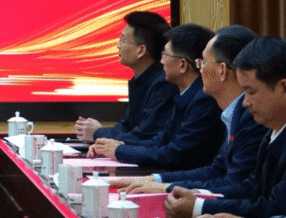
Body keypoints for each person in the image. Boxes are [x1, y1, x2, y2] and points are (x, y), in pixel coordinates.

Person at [111, 25, 263, 194]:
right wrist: (155, 179)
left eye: (203, 62)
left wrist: (166, 187)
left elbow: (234, 184)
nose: (200, 69)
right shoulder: (232, 112)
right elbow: (215, 170)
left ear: (222, 70)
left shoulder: (251, 117)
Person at [166, 37, 286, 218]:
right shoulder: (272, 132)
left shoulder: (260, 126)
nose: (245, 102)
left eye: (251, 92)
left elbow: (274, 207)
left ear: (283, 87)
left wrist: (199, 207)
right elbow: (250, 188)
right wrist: (198, 197)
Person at [90, 23, 223, 170]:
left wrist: (119, 150)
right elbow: (160, 141)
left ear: (182, 65)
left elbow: (173, 154)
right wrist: (118, 145)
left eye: (165, 55)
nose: (161, 61)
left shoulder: (204, 100)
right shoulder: (186, 95)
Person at [76, 11, 175, 142]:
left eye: (123, 40)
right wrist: (97, 133)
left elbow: (143, 137)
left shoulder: (164, 83)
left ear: (141, 50)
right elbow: (127, 126)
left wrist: (98, 132)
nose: (118, 46)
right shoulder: (140, 79)